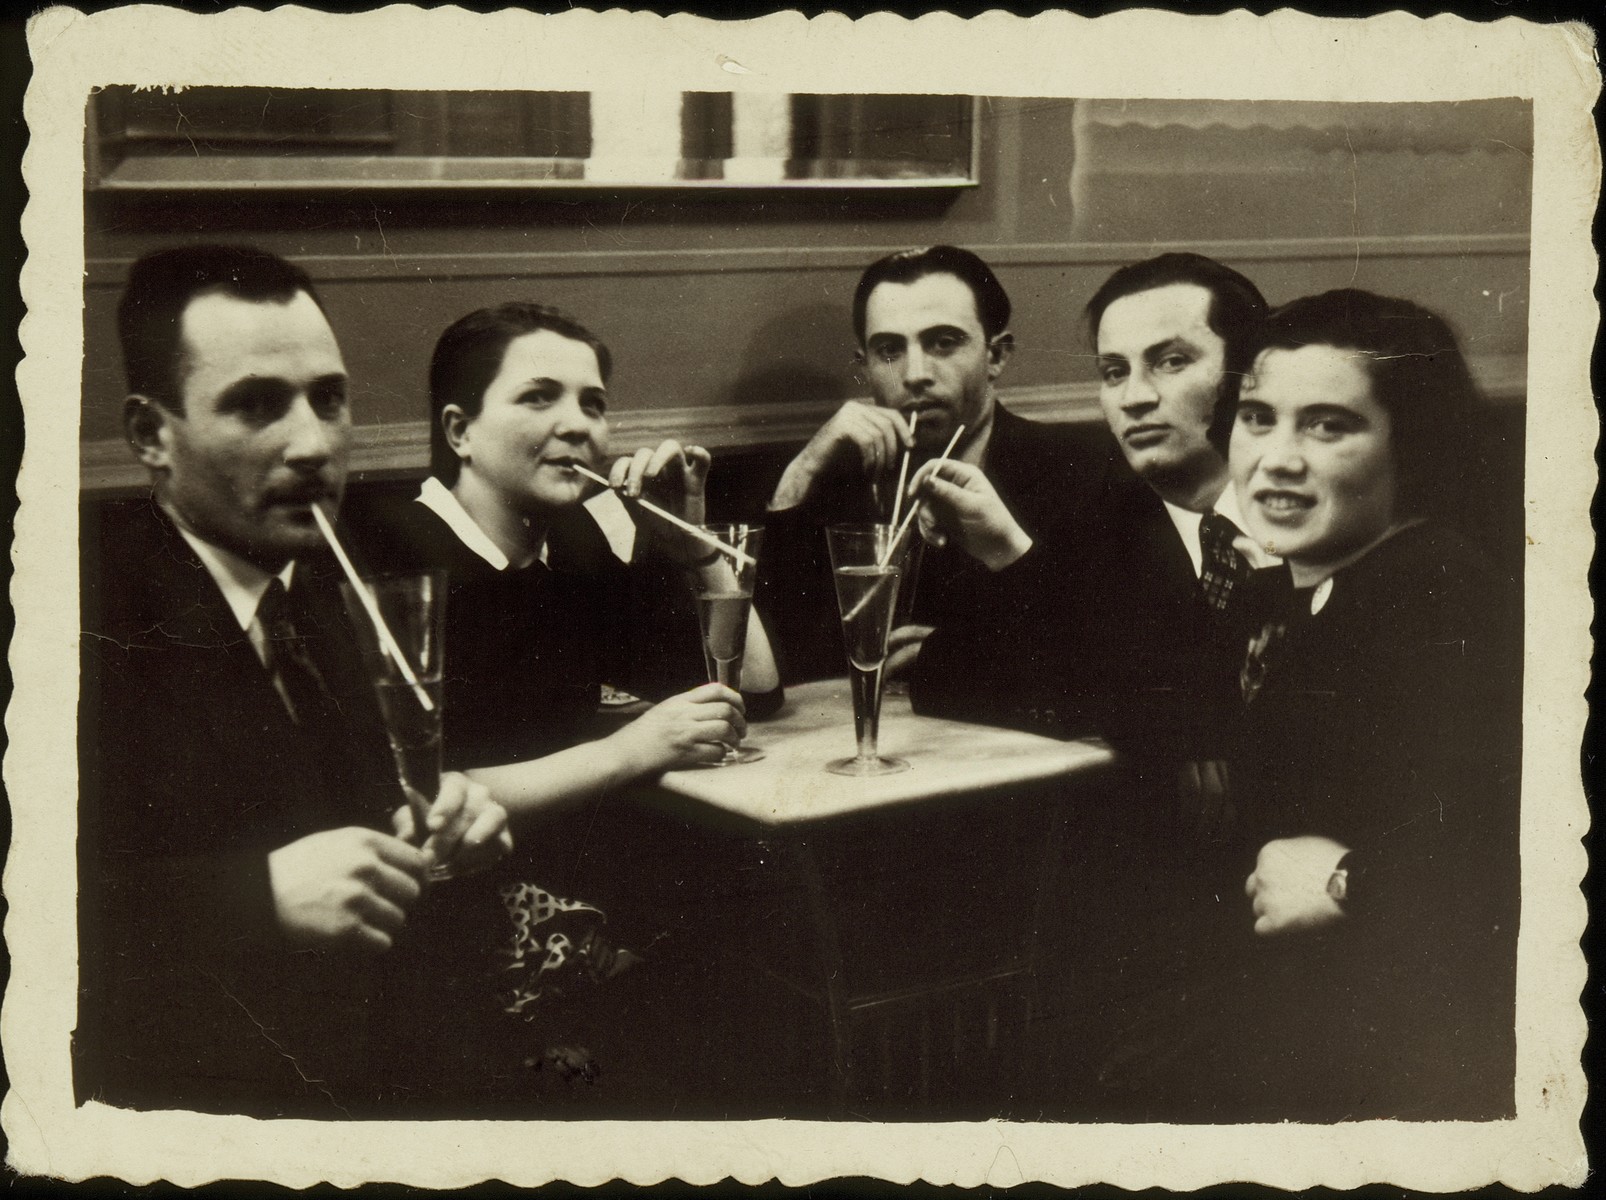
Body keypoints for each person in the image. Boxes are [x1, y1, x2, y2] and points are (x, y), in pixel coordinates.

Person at [76, 245, 512, 1117]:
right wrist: (258, 899)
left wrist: (450, 825)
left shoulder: (331, 581)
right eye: (256, 406)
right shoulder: (72, 616)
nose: (313, 444)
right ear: (149, 436)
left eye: (330, 398)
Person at [345, 301, 784, 1110]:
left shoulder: (576, 545)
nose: (578, 424)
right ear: (459, 430)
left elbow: (754, 686)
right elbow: (410, 795)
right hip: (445, 925)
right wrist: (629, 752)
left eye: (593, 402)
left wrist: (694, 553)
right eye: (538, 397)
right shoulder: (390, 551)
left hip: (576, 889)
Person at [1104, 289, 1521, 1121]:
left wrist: (1344, 880)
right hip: (1289, 1018)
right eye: (1258, 418)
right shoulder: (1296, 591)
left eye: (1330, 426)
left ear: (1414, 442)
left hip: (1395, 1061)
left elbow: (1516, 863)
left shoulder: (1444, 600)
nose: (1277, 459)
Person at [760, 244, 1105, 682]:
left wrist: (952, 659)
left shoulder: (1080, 470)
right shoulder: (830, 483)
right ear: (863, 366)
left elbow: (1094, 656)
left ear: (996, 356)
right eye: (889, 350)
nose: (915, 373)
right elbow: (781, 663)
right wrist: (800, 474)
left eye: (943, 343)